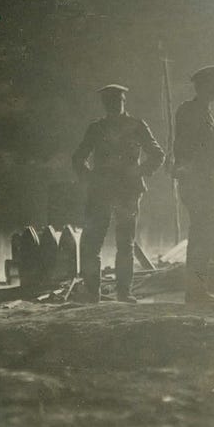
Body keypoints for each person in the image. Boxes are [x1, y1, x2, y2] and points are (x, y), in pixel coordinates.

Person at [71, 84, 166, 303]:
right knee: (92, 242)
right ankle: (93, 292)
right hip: (101, 192)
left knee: (125, 243)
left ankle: (124, 293)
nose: (113, 105)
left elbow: (157, 155)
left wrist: (139, 171)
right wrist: (90, 178)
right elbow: (78, 158)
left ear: (124, 102)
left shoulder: (137, 126)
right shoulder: (96, 128)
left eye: (117, 101)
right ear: (105, 104)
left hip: (127, 192)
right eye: (109, 102)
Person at [172, 65, 214, 303]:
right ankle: (195, 290)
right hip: (196, 181)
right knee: (201, 232)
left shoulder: (205, 112)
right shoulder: (191, 111)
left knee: (204, 233)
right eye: (213, 85)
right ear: (202, 87)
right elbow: (188, 148)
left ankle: (197, 288)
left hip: (205, 181)